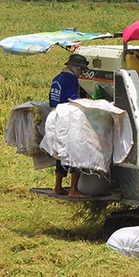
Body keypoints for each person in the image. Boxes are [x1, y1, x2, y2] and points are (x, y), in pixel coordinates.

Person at [49, 53, 89, 196]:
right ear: (77, 68)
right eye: (81, 70)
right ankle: (74, 189)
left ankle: (58, 186)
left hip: (56, 117)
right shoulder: (71, 79)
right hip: (68, 118)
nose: (82, 73)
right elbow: (73, 100)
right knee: (76, 152)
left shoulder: (57, 79)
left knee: (61, 153)